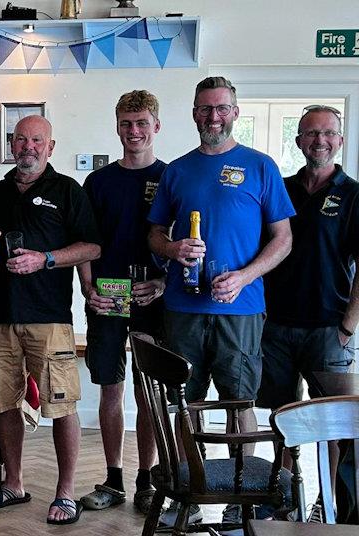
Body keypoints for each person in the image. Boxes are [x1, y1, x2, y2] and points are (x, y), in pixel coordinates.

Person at [147, 76, 295, 526]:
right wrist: (173, 249)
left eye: (222, 108)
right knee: (184, 405)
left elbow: (283, 239)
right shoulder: (176, 170)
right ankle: (184, 498)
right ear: (194, 113)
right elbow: (154, 234)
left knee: (239, 404)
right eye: (205, 108)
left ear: (235, 111)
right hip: (184, 309)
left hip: (241, 310)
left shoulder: (261, 166)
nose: (214, 116)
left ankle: (239, 498)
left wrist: (245, 276)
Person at [0, 115, 101, 525]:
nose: (28, 147)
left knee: (61, 407)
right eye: (21, 139)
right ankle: (13, 484)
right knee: (5, 404)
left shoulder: (67, 190)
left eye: (37, 140)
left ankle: (65, 495)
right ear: (12, 144)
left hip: (49, 319)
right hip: (1, 317)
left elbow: (91, 247)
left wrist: (46, 259)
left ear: (51, 146)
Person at [258, 105, 356, 518]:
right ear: (298, 141)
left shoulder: (354, 195)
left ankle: (327, 502)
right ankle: (283, 495)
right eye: (310, 134)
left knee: (333, 423)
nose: (319, 141)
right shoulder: (280, 190)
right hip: (276, 326)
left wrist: (348, 326)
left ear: (339, 140)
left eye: (328, 133)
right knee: (282, 418)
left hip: (328, 330)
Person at [76, 90, 165, 516]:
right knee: (110, 387)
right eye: (127, 124)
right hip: (107, 296)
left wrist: (164, 283)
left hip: (153, 298)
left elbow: (181, 243)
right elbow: (86, 243)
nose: (134, 131)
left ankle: (146, 480)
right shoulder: (98, 182)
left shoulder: (172, 178)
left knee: (150, 391)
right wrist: (87, 288)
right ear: (117, 126)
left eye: (142, 123)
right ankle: (113, 479)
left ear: (156, 126)